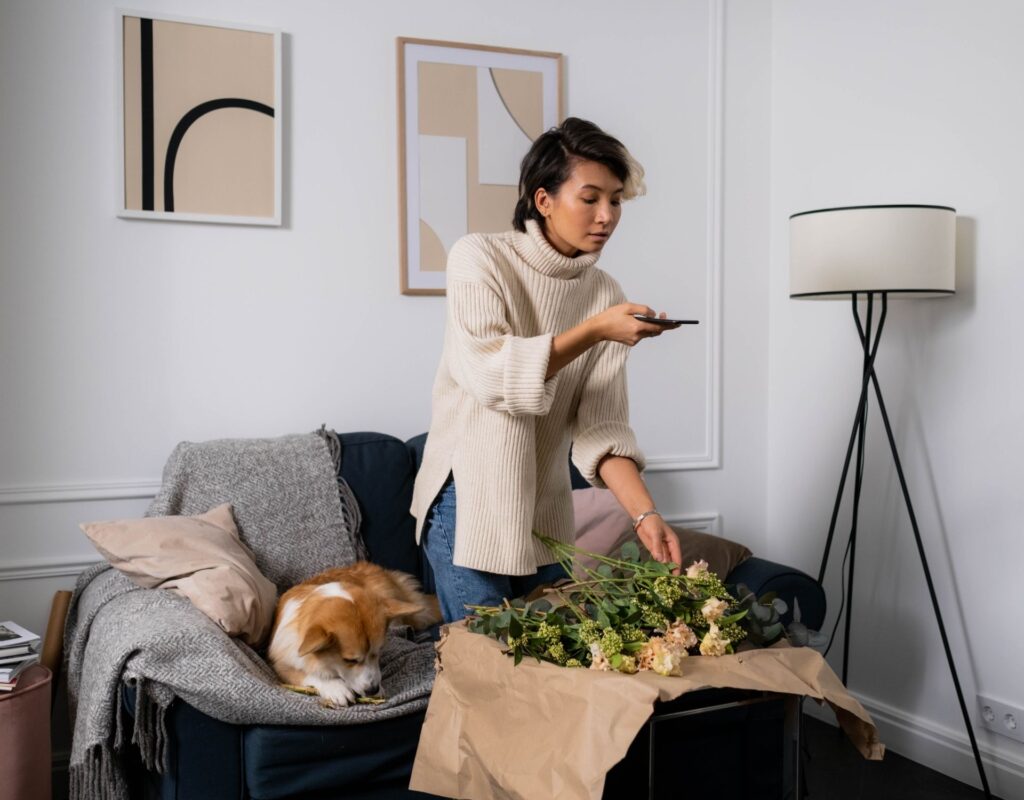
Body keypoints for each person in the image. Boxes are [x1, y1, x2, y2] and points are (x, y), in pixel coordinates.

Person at [411, 117, 683, 623]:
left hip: (546, 513)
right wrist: (595, 330)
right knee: (489, 671)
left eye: (617, 199)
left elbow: (602, 429)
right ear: (543, 200)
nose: (606, 216)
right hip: (468, 503)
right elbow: (492, 374)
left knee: (550, 675)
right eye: (590, 197)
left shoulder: (605, 295)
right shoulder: (479, 258)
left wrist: (647, 514)